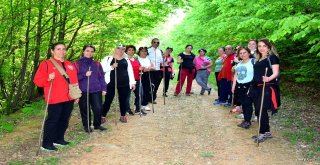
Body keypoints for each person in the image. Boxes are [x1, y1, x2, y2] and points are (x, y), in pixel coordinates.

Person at [34, 42, 78, 151]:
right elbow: (37, 81)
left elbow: (74, 81)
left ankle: (58, 139)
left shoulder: (70, 64)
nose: (61, 51)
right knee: (53, 120)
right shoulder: (46, 64)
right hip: (55, 97)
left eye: (63, 49)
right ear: (52, 51)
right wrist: (48, 78)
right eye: (58, 49)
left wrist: (77, 95)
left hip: (69, 97)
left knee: (64, 119)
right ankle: (47, 144)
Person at [250, 38, 280, 142]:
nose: (261, 48)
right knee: (259, 109)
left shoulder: (272, 58)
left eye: (264, 46)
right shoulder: (258, 58)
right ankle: (267, 132)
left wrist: (268, 78)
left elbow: (276, 72)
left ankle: (262, 133)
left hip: (267, 86)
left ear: (269, 47)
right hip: (257, 87)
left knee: (260, 109)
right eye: (259, 46)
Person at [75, 45, 107, 132]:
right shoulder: (77, 64)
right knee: (85, 109)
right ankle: (87, 125)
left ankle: (97, 124)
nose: (89, 53)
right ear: (83, 51)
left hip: (96, 89)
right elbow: (74, 78)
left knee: (98, 108)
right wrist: (84, 74)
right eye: (87, 51)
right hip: (83, 90)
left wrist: (104, 88)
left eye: (92, 51)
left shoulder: (96, 63)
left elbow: (101, 77)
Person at [101, 45, 136, 123]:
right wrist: (111, 66)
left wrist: (133, 82)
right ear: (115, 49)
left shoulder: (126, 59)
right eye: (118, 48)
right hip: (110, 83)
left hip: (125, 83)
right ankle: (103, 115)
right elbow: (101, 69)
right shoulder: (108, 58)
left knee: (123, 100)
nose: (121, 50)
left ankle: (123, 115)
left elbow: (130, 71)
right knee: (108, 100)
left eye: (123, 49)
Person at [231, 47, 255, 129]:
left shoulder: (253, 62)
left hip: (249, 85)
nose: (242, 54)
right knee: (243, 103)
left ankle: (248, 121)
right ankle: (245, 119)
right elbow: (236, 75)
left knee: (248, 103)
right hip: (239, 85)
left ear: (249, 53)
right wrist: (233, 86)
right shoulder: (239, 63)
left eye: (244, 52)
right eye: (240, 53)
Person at [125, 45, 147, 115]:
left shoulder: (136, 59)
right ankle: (127, 109)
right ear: (126, 51)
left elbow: (139, 68)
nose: (131, 51)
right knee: (127, 95)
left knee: (140, 94)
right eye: (129, 50)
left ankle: (138, 109)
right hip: (128, 80)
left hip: (137, 79)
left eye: (132, 50)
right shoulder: (124, 60)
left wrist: (141, 69)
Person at [138, 47, 154, 112]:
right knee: (140, 90)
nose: (144, 52)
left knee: (147, 89)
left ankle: (144, 104)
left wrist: (149, 68)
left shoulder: (148, 59)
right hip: (140, 75)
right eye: (142, 51)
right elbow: (136, 67)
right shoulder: (137, 59)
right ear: (139, 52)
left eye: (145, 51)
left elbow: (154, 67)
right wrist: (143, 68)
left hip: (148, 74)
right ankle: (138, 105)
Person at [148, 38, 163, 103]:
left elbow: (161, 61)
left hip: (158, 70)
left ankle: (153, 98)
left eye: (158, 43)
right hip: (150, 70)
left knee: (156, 84)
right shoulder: (148, 50)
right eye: (154, 42)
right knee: (150, 85)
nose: (156, 44)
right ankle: (148, 98)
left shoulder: (159, 51)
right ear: (152, 43)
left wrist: (164, 57)